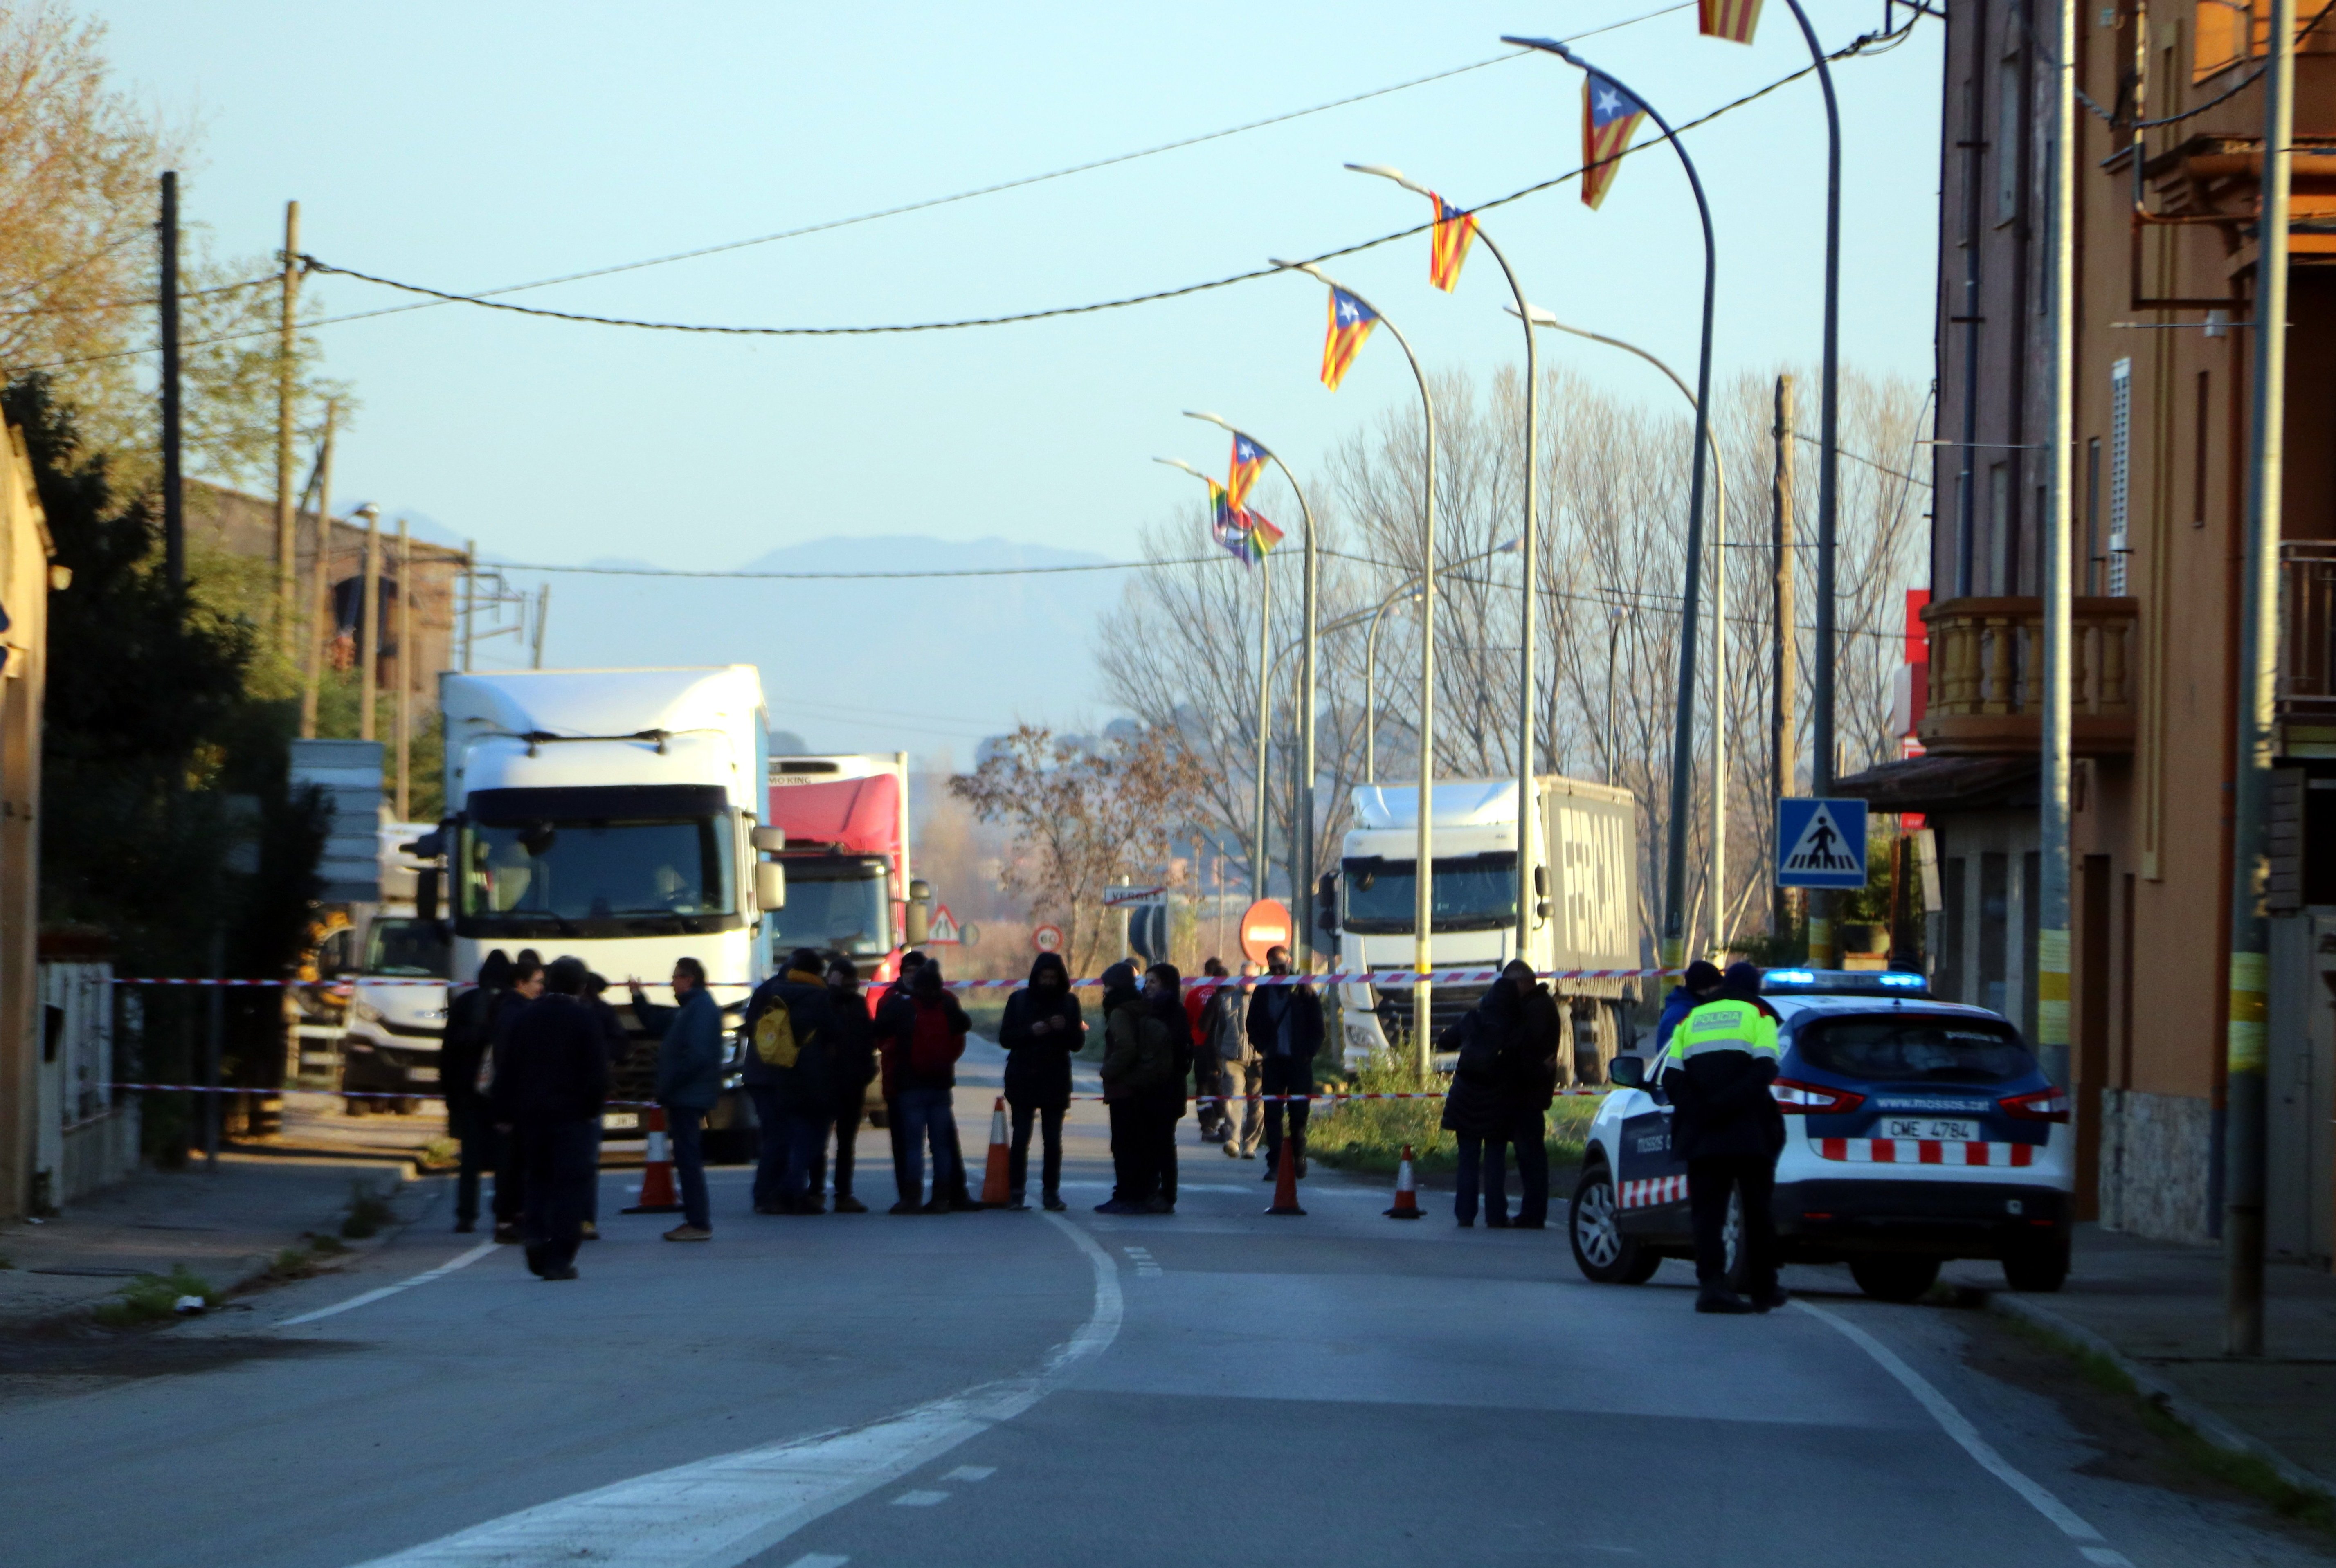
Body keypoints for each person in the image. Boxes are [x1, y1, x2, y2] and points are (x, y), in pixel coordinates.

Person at [1661, 961, 1787, 1314]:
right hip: (1748, 1133)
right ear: (1754, 989)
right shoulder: (1759, 1016)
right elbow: (1765, 1070)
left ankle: (1712, 1287)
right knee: (1756, 1211)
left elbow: (1671, 1078)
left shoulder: (1690, 1020)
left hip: (1701, 1135)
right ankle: (1764, 1288)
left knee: (1707, 1215)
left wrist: (1702, 1109)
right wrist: (1727, 1104)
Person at [488, 956, 609, 1280]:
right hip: (571, 1116)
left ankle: (536, 1237)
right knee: (570, 1185)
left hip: (532, 1116)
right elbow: (597, 1071)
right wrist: (591, 1108)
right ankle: (560, 1257)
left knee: (538, 1180)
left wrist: (503, 1111)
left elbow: (508, 1067)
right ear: (581, 986)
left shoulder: (527, 1017)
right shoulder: (584, 1019)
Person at [630, 957, 722, 1241]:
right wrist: (638, 998)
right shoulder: (692, 1009)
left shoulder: (699, 1010)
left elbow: (697, 1056)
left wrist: (668, 1086)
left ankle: (698, 1221)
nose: (672, 983)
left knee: (688, 1159)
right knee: (686, 1158)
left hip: (688, 1096)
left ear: (689, 979)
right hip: (687, 1094)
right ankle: (695, 1219)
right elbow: (657, 1020)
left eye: (675, 977)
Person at [741, 948, 837, 1214]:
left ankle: (771, 1194)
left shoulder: (769, 990)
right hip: (791, 1076)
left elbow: (750, 1027)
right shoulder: (818, 997)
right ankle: (779, 1194)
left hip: (760, 1071)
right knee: (792, 1137)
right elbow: (832, 1036)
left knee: (776, 1137)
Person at [997, 951, 1079, 1211]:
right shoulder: (1019, 1000)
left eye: (1052, 977)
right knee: (1021, 1138)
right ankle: (1016, 1191)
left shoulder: (1069, 1003)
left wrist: (1063, 1029)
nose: (1048, 982)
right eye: (1043, 977)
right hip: (1023, 1077)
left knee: (1053, 1140)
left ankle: (1051, 1192)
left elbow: (1078, 1043)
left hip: (1055, 1078)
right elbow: (1005, 1038)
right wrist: (1031, 1032)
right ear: (1036, 977)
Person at [438, 949, 511, 1234]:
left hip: (467, 1093)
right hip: (502, 1095)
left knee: (469, 1159)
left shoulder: (464, 1003)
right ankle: (503, 1215)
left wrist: (450, 1095)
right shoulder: (510, 1006)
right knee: (505, 1160)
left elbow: (446, 1054)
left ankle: (466, 1215)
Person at [888, 960, 971, 1213]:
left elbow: (881, 1031)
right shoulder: (947, 1004)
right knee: (941, 1146)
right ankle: (941, 1198)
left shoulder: (904, 1007)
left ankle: (912, 1197)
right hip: (941, 1084)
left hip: (910, 1085)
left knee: (914, 1145)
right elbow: (964, 1026)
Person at [1438, 980, 1520, 1228]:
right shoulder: (1515, 1025)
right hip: (1497, 1098)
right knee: (1495, 1161)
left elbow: (1447, 1042)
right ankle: (1496, 1215)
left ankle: (1465, 1214)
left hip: (1466, 1095)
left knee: (1468, 1159)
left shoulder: (1474, 1018)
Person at [1097, 960, 1178, 1213]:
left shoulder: (1120, 1013)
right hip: (1142, 1087)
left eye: (1108, 987)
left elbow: (1126, 1047)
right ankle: (1141, 1192)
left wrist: (1108, 1072)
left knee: (1123, 1145)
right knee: (1138, 1145)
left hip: (1124, 1086)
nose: (1105, 992)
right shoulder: (1143, 1007)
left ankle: (1126, 1195)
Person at [1246, 946, 1324, 1181]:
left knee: (1299, 1114)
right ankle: (1276, 1163)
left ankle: (1299, 1158)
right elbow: (1252, 1025)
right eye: (1274, 967)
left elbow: (1318, 1027)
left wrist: (1308, 1053)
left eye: (1282, 966)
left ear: (1290, 961)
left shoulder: (1304, 988)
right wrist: (1264, 1048)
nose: (1279, 971)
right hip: (1274, 1063)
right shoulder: (1263, 991)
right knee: (1272, 1114)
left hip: (1299, 1062)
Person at [483, 952, 545, 1242]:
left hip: (515, 1100)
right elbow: (507, 1063)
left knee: (517, 1163)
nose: (541, 988)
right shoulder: (514, 1013)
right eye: (537, 982)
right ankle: (507, 1220)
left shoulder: (511, 1009)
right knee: (512, 1165)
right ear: (520, 983)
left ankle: (513, 1216)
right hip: (513, 1102)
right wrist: (505, 1110)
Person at [1503, 960, 1565, 1230]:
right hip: (1529, 1090)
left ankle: (1533, 1212)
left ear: (1522, 983)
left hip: (1529, 1092)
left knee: (1531, 1157)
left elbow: (1527, 1047)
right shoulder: (1534, 1006)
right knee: (1528, 1155)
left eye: (1509, 986)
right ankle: (1532, 1211)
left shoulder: (1537, 1009)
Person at [577, 972, 633, 1240]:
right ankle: (584, 1220)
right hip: (589, 1097)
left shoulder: (591, 1013)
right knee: (586, 1163)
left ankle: (573, 1219)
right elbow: (620, 1045)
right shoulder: (599, 1012)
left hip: (572, 1098)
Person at [820, 956, 877, 1213]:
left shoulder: (856, 1004)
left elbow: (867, 1041)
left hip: (850, 1082)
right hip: (832, 1082)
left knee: (843, 1143)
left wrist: (867, 1071)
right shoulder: (825, 1001)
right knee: (824, 1141)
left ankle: (841, 1194)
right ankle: (819, 1192)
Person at [1147, 963, 1189, 1211]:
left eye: (1153, 981)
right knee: (1150, 1142)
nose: (1148, 986)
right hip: (1149, 1086)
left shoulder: (1175, 1012)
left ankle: (1167, 1194)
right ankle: (1152, 1190)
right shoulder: (1147, 1008)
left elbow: (1176, 1050)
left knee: (1164, 1142)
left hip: (1168, 1087)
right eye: (1147, 981)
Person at [1209, 961, 1261, 1159]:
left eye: (1251, 977)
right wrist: (1221, 1052)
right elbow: (1219, 1030)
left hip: (1259, 1059)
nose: (1247, 981)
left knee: (1257, 1103)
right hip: (1233, 1058)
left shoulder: (1264, 1000)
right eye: (1244, 976)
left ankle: (1250, 1145)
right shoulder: (1227, 999)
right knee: (1233, 1099)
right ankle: (1233, 1140)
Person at [1186, 958, 1230, 1144]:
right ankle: (1222, 1121)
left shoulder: (1194, 993)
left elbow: (1187, 1020)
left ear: (1207, 973)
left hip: (1199, 1045)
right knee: (1220, 1084)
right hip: (1220, 1048)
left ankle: (1207, 1126)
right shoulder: (1227, 994)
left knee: (1203, 1086)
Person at [1654, 960, 1724, 1054]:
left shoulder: (1689, 1009)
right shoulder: (1680, 1016)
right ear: (1706, 988)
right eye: (1717, 989)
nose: (1719, 993)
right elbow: (1670, 1056)